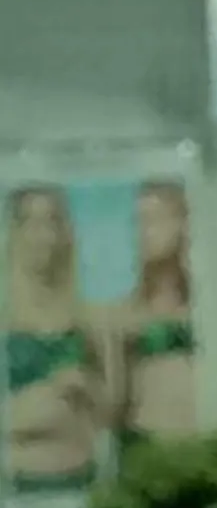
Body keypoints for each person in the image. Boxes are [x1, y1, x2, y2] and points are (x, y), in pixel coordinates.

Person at [4, 187, 110, 489]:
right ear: (15, 231)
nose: (43, 236)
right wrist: (41, 399)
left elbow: (110, 414)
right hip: (18, 484)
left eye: (52, 222)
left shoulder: (84, 318)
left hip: (81, 478)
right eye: (31, 222)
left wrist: (87, 385)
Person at [112, 178, 197, 442]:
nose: (144, 232)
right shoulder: (123, 311)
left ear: (183, 224)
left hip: (204, 441)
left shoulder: (208, 305)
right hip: (146, 440)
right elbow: (114, 402)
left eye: (156, 219)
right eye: (137, 222)